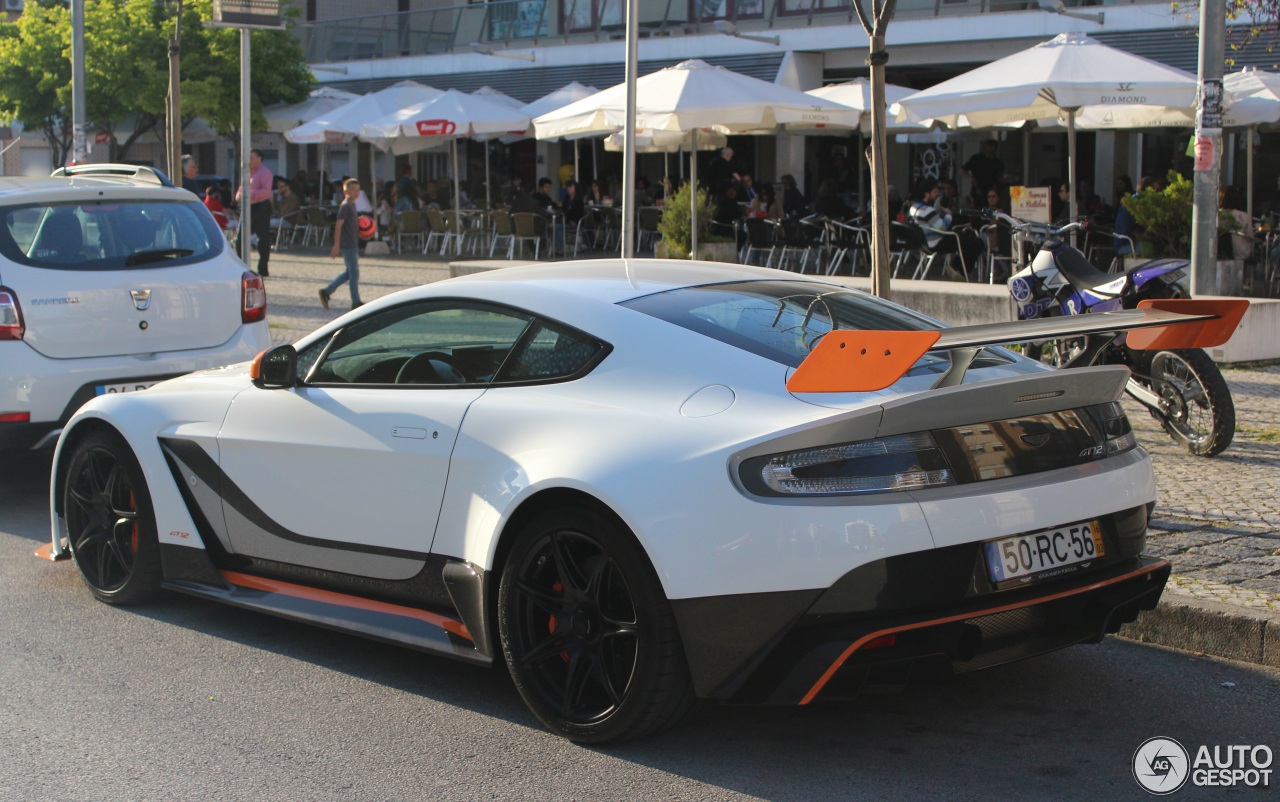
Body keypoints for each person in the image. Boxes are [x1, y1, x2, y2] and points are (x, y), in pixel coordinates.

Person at [908, 177, 983, 279]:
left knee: (967, 239)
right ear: (926, 194)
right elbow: (942, 227)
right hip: (937, 242)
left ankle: (956, 267)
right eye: (934, 192)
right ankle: (957, 268)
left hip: (924, 243)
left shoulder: (914, 207)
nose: (937, 194)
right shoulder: (928, 210)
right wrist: (948, 214)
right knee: (977, 243)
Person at [320, 178, 364, 311]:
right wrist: (336, 245)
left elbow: (352, 226)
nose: (355, 192)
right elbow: (339, 225)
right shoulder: (345, 206)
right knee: (354, 273)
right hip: (347, 244)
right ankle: (355, 301)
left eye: (357, 190)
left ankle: (327, 291)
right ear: (345, 191)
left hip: (353, 242)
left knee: (349, 273)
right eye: (352, 189)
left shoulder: (352, 205)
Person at [235, 148, 273, 277]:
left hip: (261, 207)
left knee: (263, 238)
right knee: (240, 238)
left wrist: (249, 194)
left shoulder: (265, 173)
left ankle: (263, 268)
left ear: (259, 158)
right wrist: (239, 195)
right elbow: (240, 189)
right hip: (248, 207)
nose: (248, 160)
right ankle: (240, 266)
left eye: (251, 157)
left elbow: (266, 192)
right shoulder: (247, 173)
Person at [960, 139, 1004, 206]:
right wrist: (970, 178)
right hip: (977, 190)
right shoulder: (977, 159)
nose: (990, 154)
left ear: (995, 151)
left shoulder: (998, 163)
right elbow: (962, 170)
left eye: (992, 152)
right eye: (988, 151)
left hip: (991, 193)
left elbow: (1000, 178)